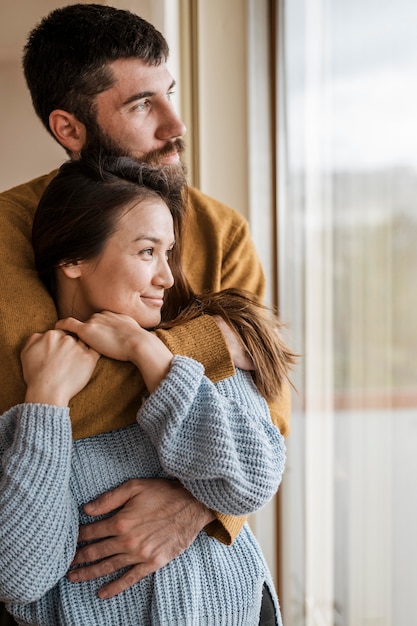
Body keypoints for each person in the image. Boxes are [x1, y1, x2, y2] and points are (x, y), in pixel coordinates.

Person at [0, 2, 292, 616]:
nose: (175, 125)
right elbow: (44, 384)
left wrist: (196, 503)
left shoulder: (222, 230)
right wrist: (215, 343)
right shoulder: (6, 229)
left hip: (225, 591)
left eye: (171, 94)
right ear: (70, 128)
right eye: (141, 105)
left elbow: (267, 419)